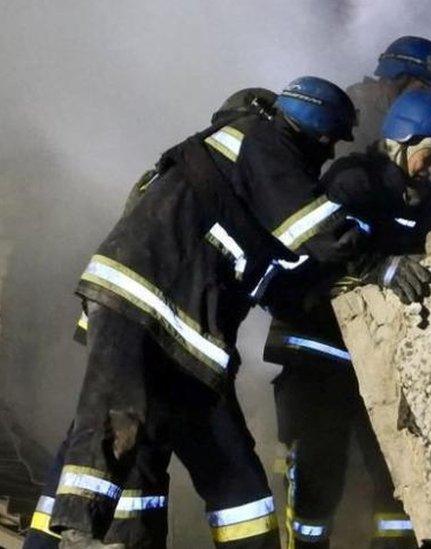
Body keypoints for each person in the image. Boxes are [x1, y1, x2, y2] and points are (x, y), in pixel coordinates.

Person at [46, 76, 365, 548]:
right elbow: (316, 230)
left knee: (200, 467)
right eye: (331, 141)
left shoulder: (225, 170)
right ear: (320, 131)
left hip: (181, 334)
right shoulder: (265, 142)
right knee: (117, 432)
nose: (330, 153)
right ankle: (80, 530)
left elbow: (268, 270)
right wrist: (378, 263)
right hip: (151, 313)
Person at [23, 88, 282, 549]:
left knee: (92, 455)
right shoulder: (222, 186)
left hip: (128, 338)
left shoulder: (164, 176)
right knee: (232, 478)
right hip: (175, 350)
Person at [264, 89, 431, 548]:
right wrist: (380, 265)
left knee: (396, 478)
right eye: (429, 155)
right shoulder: (353, 181)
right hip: (318, 354)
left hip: (382, 363)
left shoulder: (430, 203)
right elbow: (319, 248)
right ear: (400, 140)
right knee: (317, 477)